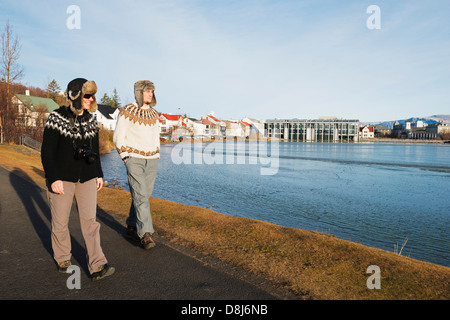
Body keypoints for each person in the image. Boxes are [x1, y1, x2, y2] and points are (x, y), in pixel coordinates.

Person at [41, 78, 114, 280]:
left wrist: (99, 173)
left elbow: (95, 150)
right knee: (60, 221)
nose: (90, 99)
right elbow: (47, 152)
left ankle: (97, 264)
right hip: (62, 178)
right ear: (75, 95)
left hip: (88, 177)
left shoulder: (91, 119)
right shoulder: (56, 117)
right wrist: (53, 177)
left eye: (92, 96)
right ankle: (63, 257)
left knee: (90, 222)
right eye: (87, 95)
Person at [113, 80, 160, 250]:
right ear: (139, 92)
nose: (150, 94)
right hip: (134, 159)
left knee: (143, 196)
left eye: (152, 91)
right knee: (140, 196)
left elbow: (156, 136)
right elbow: (119, 136)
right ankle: (146, 234)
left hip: (152, 160)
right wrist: (126, 157)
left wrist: (157, 154)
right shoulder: (127, 111)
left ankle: (131, 227)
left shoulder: (154, 114)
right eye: (147, 91)